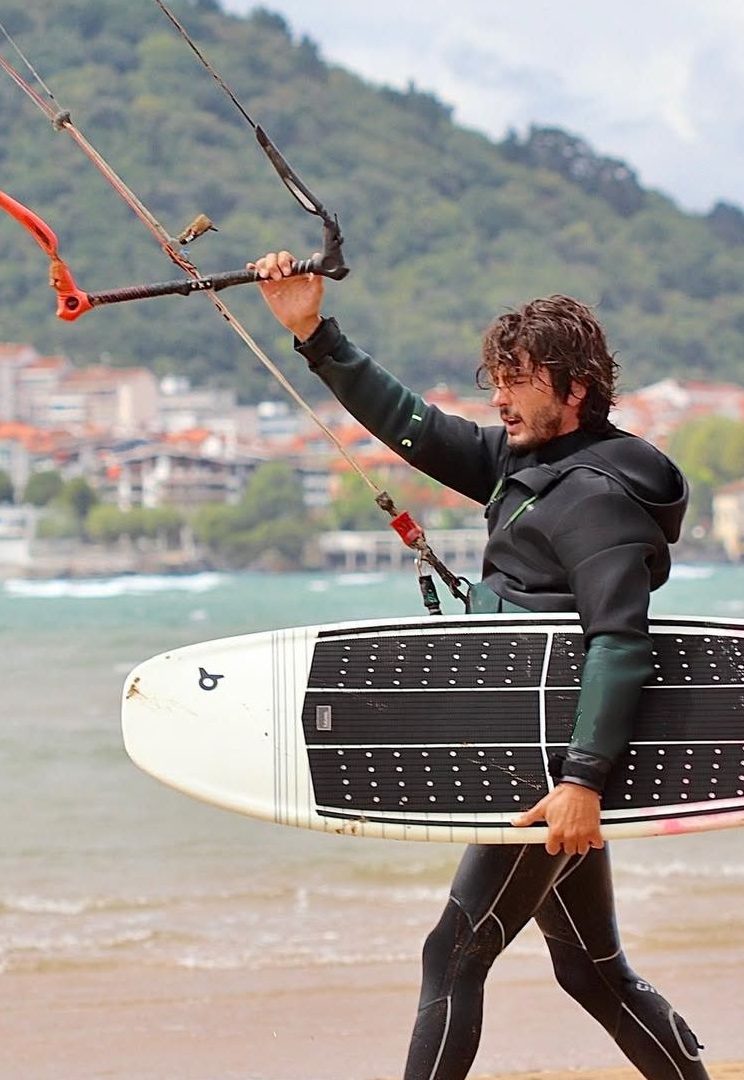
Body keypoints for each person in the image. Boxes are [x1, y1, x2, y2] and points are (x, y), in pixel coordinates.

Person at [251, 250, 710, 1080]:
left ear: (574, 388)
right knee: (592, 972)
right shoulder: (522, 465)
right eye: (495, 381)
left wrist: (582, 781)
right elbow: (413, 425)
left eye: (516, 383)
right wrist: (315, 334)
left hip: (548, 769)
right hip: (539, 751)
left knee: (452, 955)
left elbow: (619, 640)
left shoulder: (597, 500)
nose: (497, 401)